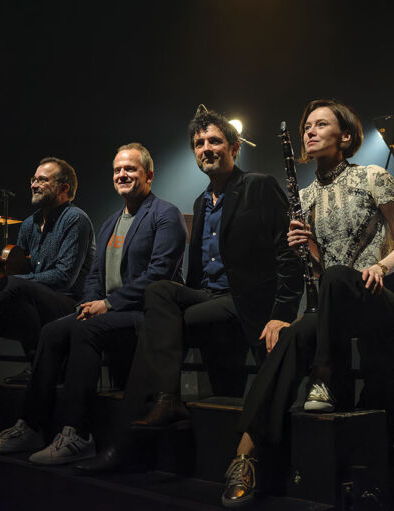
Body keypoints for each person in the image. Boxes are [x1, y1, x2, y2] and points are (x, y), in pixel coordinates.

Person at [74, 109, 303, 474]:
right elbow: (193, 274)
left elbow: (289, 254)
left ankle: (127, 442)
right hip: (208, 299)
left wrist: (282, 313)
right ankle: (164, 403)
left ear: (235, 147)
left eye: (214, 141)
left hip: (245, 301)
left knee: (155, 322)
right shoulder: (199, 202)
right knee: (161, 293)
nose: (206, 148)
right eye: (199, 143)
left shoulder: (258, 185)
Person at [219, 99, 394, 507]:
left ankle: (323, 377)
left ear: (344, 137)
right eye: (306, 125)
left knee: (341, 276)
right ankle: (244, 457)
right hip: (337, 303)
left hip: (384, 299)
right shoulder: (304, 196)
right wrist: (305, 249)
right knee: (291, 336)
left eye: (320, 124)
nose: (308, 131)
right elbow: (320, 274)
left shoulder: (373, 177)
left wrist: (380, 267)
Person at [0, 143, 188, 464]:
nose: (122, 175)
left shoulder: (164, 215)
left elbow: (158, 276)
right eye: (117, 169)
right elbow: (94, 276)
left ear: (149, 175)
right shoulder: (110, 222)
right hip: (111, 311)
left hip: (145, 315)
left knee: (86, 332)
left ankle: (76, 434)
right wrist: (88, 303)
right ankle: (31, 426)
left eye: (130, 169)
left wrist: (108, 304)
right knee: (52, 331)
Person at [0, 157, 95, 434]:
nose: (34, 183)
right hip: (33, 303)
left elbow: (64, 278)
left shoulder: (76, 219)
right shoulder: (29, 224)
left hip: (66, 304)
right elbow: (19, 271)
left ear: (64, 188)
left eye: (43, 179)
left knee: (13, 287)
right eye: (33, 178)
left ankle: (44, 372)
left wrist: (8, 284)